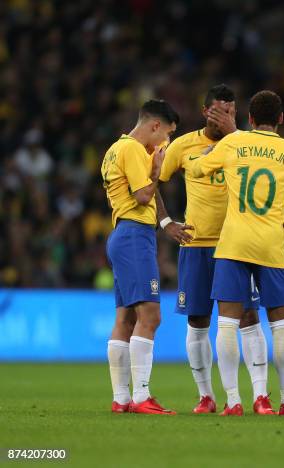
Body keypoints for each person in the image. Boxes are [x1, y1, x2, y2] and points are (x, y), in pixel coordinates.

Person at [194, 90, 284, 416]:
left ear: (249, 119)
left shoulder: (232, 143)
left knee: (226, 325)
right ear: (281, 119)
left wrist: (208, 152)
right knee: (280, 325)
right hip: (272, 247)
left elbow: (196, 170)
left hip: (233, 243)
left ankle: (233, 401)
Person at [158, 84, 274, 415]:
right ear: (205, 111)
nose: (226, 117)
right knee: (198, 320)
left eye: (231, 112)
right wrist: (166, 222)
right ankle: (206, 396)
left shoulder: (248, 145)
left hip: (238, 245)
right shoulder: (183, 146)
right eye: (220, 111)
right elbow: (151, 182)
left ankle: (260, 396)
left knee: (249, 317)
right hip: (196, 246)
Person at [102, 99, 180, 414]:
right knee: (150, 316)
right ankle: (141, 396)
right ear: (155, 126)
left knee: (125, 319)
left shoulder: (112, 150)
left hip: (121, 234)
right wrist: (157, 168)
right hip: (135, 234)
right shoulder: (134, 149)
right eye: (168, 135)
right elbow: (143, 195)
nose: (167, 143)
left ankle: (121, 399)